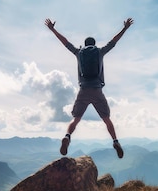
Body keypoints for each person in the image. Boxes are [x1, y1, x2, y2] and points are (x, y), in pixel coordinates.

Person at [44, 17, 134, 159]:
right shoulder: (100, 51)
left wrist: (53, 29)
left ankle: (67, 137)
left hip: (83, 91)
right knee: (106, 119)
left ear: (84, 45)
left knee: (76, 119)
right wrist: (125, 28)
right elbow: (114, 41)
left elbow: (65, 42)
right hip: (97, 91)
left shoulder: (78, 53)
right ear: (94, 44)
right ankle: (115, 141)